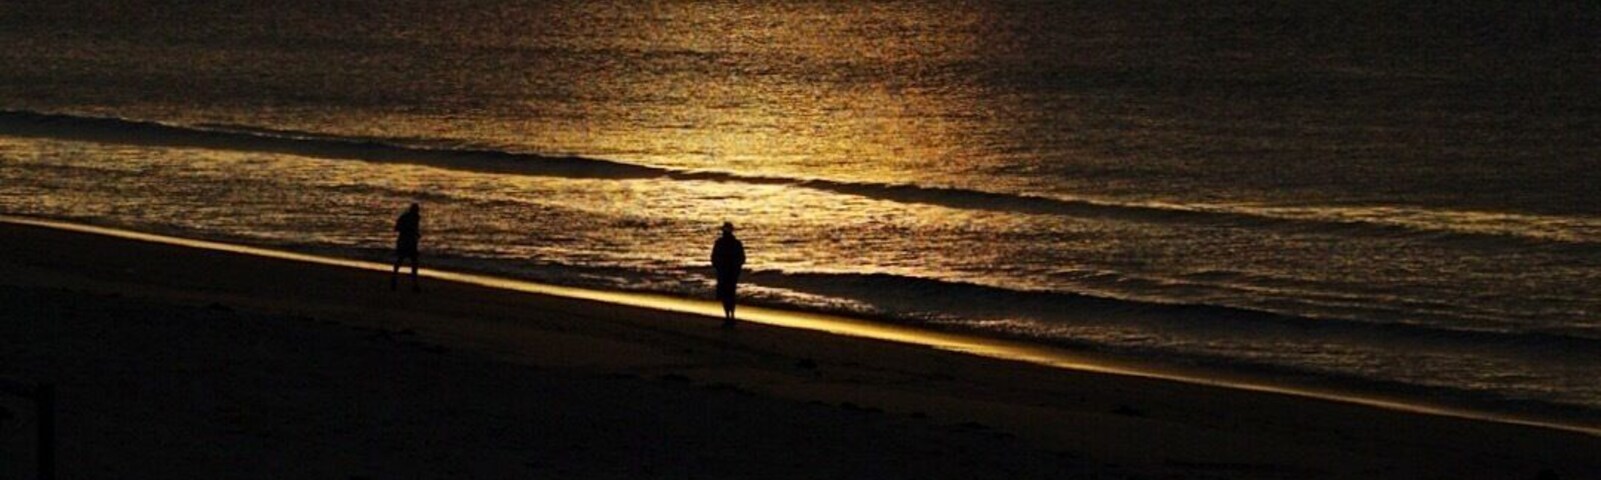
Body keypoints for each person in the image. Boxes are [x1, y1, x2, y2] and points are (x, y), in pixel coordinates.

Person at [710, 221, 746, 326]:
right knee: (730, 295)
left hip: (726, 272)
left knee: (726, 295)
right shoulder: (735, 243)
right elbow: (742, 259)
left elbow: (714, 258)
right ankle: (730, 316)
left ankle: (728, 317)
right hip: (730, 273)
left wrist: (719, 267)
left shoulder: (722, 243)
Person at [392, 203, 422, 292]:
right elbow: (397, 228)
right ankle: (395, 279)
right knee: (405, 261)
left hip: (409, 242)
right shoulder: (408, 217)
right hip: (406, 242)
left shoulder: (414, 217)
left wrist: (416, 234)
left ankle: (413, 283)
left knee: (411, 262)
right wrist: (409, 231)